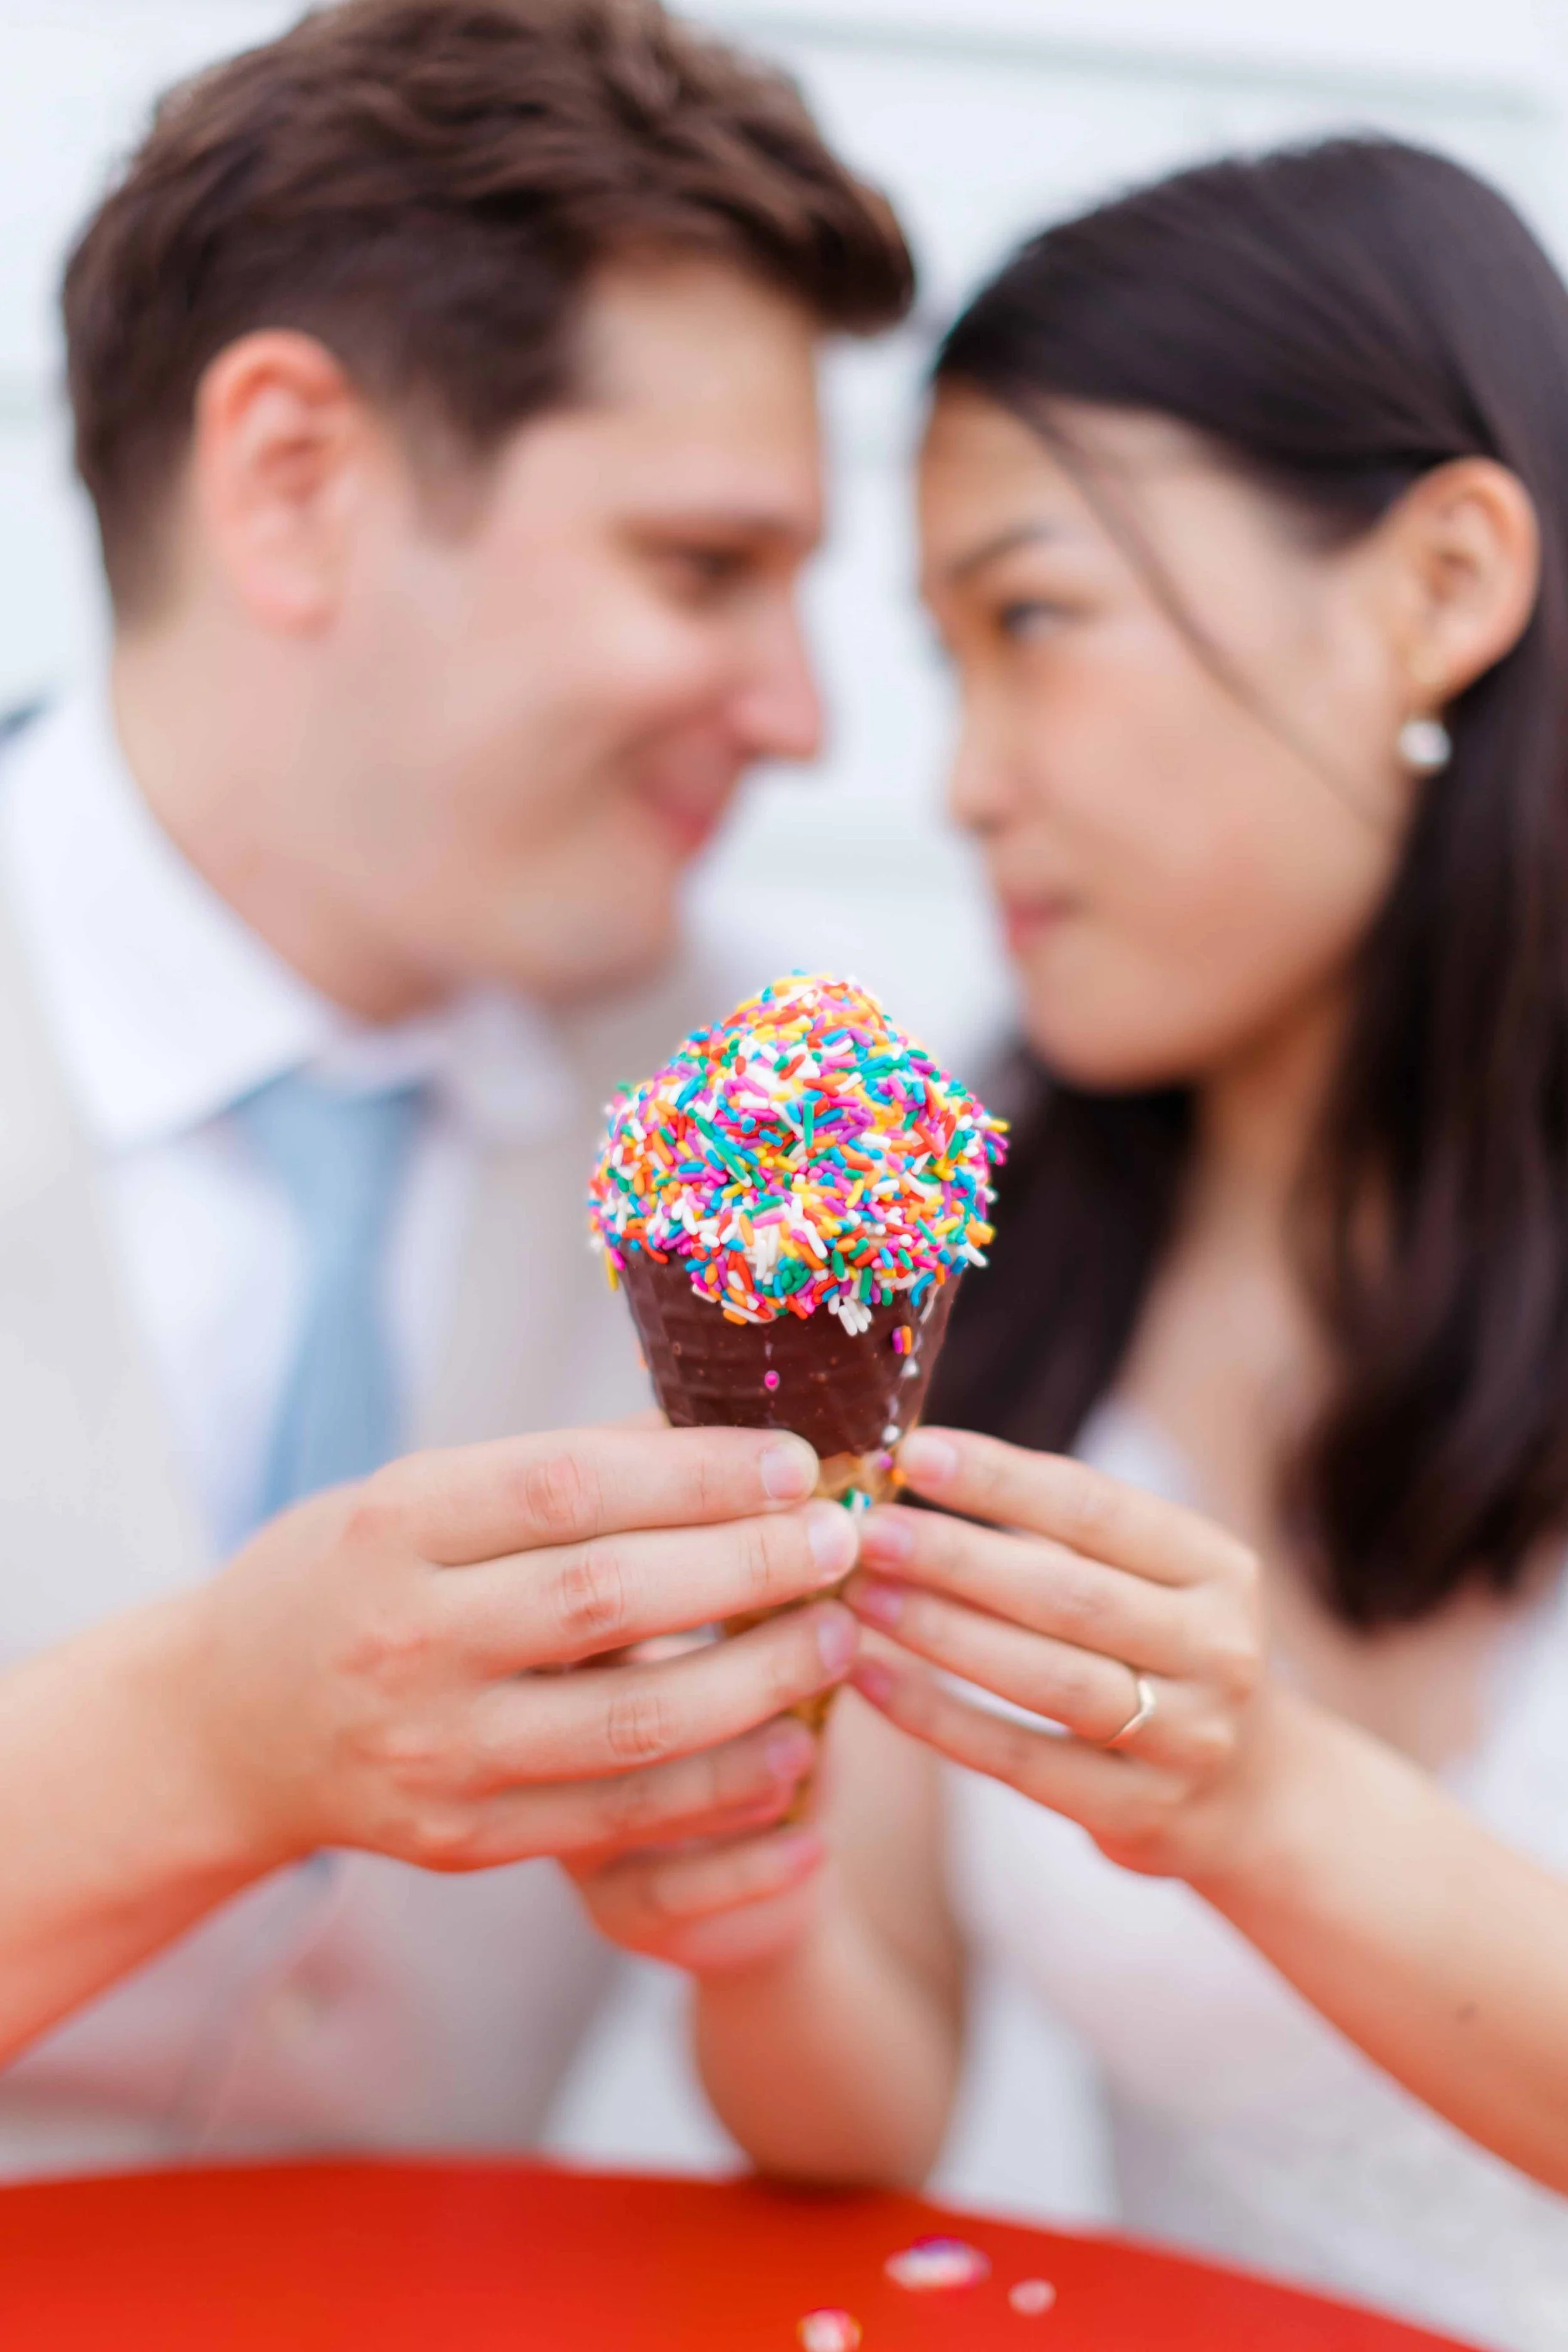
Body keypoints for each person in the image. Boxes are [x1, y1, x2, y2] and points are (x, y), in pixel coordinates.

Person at [573, 140, 1568, 2349]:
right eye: (948, 663)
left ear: (1440, 583)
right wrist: (737, 1903)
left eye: (1030, 620)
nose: (962, 782)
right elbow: (877, 2098)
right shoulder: (982, 1228)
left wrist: (1263, 1797)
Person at [0, 0, 911, 2170]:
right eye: (702, 567)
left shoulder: (784, 1125)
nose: (801, 715)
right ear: (293, 480)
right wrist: (207, 1740)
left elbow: (862, 2077)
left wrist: (759, 1892)